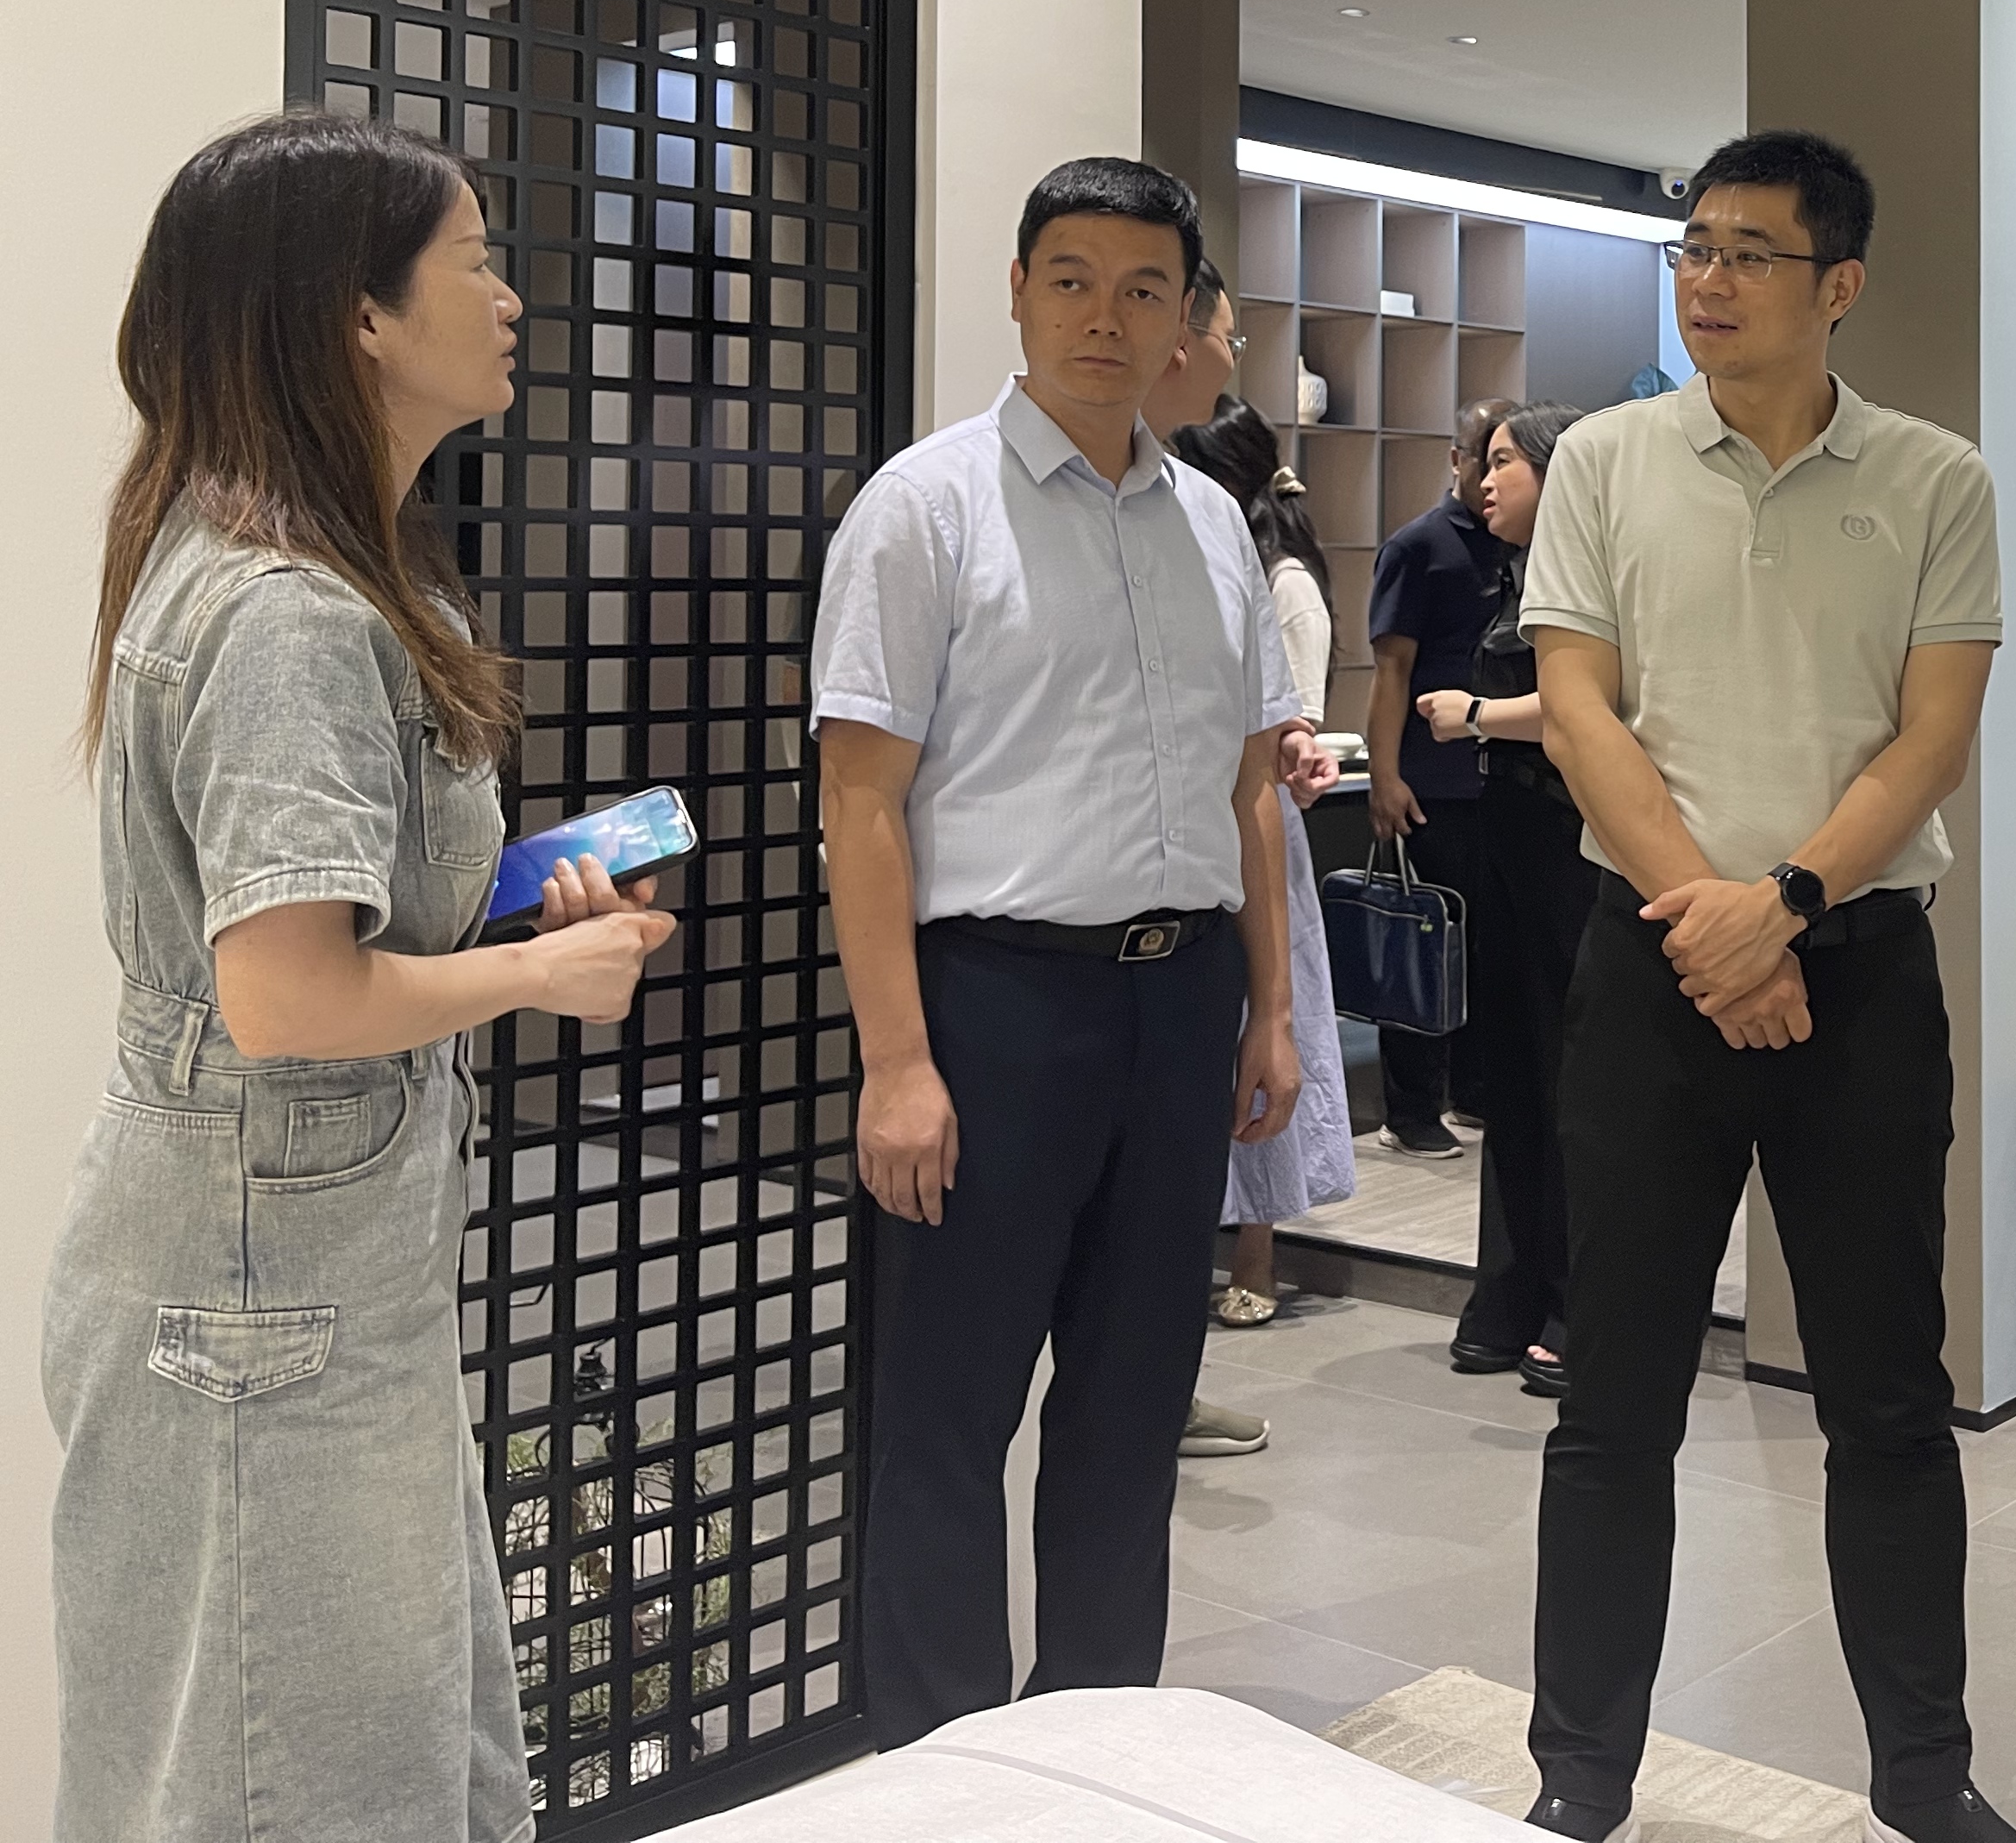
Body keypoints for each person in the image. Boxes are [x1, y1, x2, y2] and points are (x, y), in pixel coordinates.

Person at [47, 115, 672, 1841]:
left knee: (372, 1767)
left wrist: (518, 914)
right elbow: (290, 1002)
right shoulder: (294, 615)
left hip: (297, 1281)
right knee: (296, 1787)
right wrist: (543, 978)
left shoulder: (330, 571)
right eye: (474, 260)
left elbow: (329, 932)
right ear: (360, 315)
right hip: (260, 1306)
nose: (510, 296)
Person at [1518, 131, 2013, 1843]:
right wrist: (1712, 931)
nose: (1708, 280)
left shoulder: (1937, 477)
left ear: (1839, 284)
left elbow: (1932, 737)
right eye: (1694, 248)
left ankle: (1927, 1782)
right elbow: (1577, 706)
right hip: (1653, 970)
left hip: (1858, 979)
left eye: (1749, 252)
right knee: (1614, 1402)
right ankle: (1578, 1779)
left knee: (1890, 1402)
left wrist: (1785, 904)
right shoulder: (1604, 459)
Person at [811, 156, 1302, 1749]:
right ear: (1017, 290)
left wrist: (1270, 1007)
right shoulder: (924, 506)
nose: (1107, 315)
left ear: (1187, 316)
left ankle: (1094, 1744)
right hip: (996, 1003)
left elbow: (1247, 788)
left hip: (1181, 998)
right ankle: (940, 1768)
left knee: (1130, 1406)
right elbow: (860, 803)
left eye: (1145, 287)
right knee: (949, 1414)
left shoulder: (1213, 524)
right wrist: (898, 1061)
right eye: (1073, 278)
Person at [1169, 384, 1361, 1345]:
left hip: (1255, 825)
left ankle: (1258, 1247)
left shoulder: (1282, 583)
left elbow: (1292, 722)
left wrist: (1292, 746)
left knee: (1268, 1024)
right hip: (1187, 821)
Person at [1418, 403, 1591, 1396]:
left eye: (1502, 464)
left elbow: (1597, 707)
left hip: (1574, 841)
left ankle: (1576, 1301)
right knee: (1512, 1072)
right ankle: (1511, 1290)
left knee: (1572, 1074)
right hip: (1512, 832)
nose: (1484, 482)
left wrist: (1479, 713)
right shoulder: (1513, 573)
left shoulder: (1595, 573)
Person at [1364, 394, 1518, 1157]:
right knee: (1422, 947)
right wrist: (1385, 776)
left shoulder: (1521, 543)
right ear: (1456, 459)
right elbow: (1390, 671)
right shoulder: (1418, 546)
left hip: (1504, 783)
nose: (1489, 475)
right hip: (1432, 785)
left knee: (1494, 949)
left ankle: (1478, 1093)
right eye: (1481, 457)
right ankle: (1411, 1110)